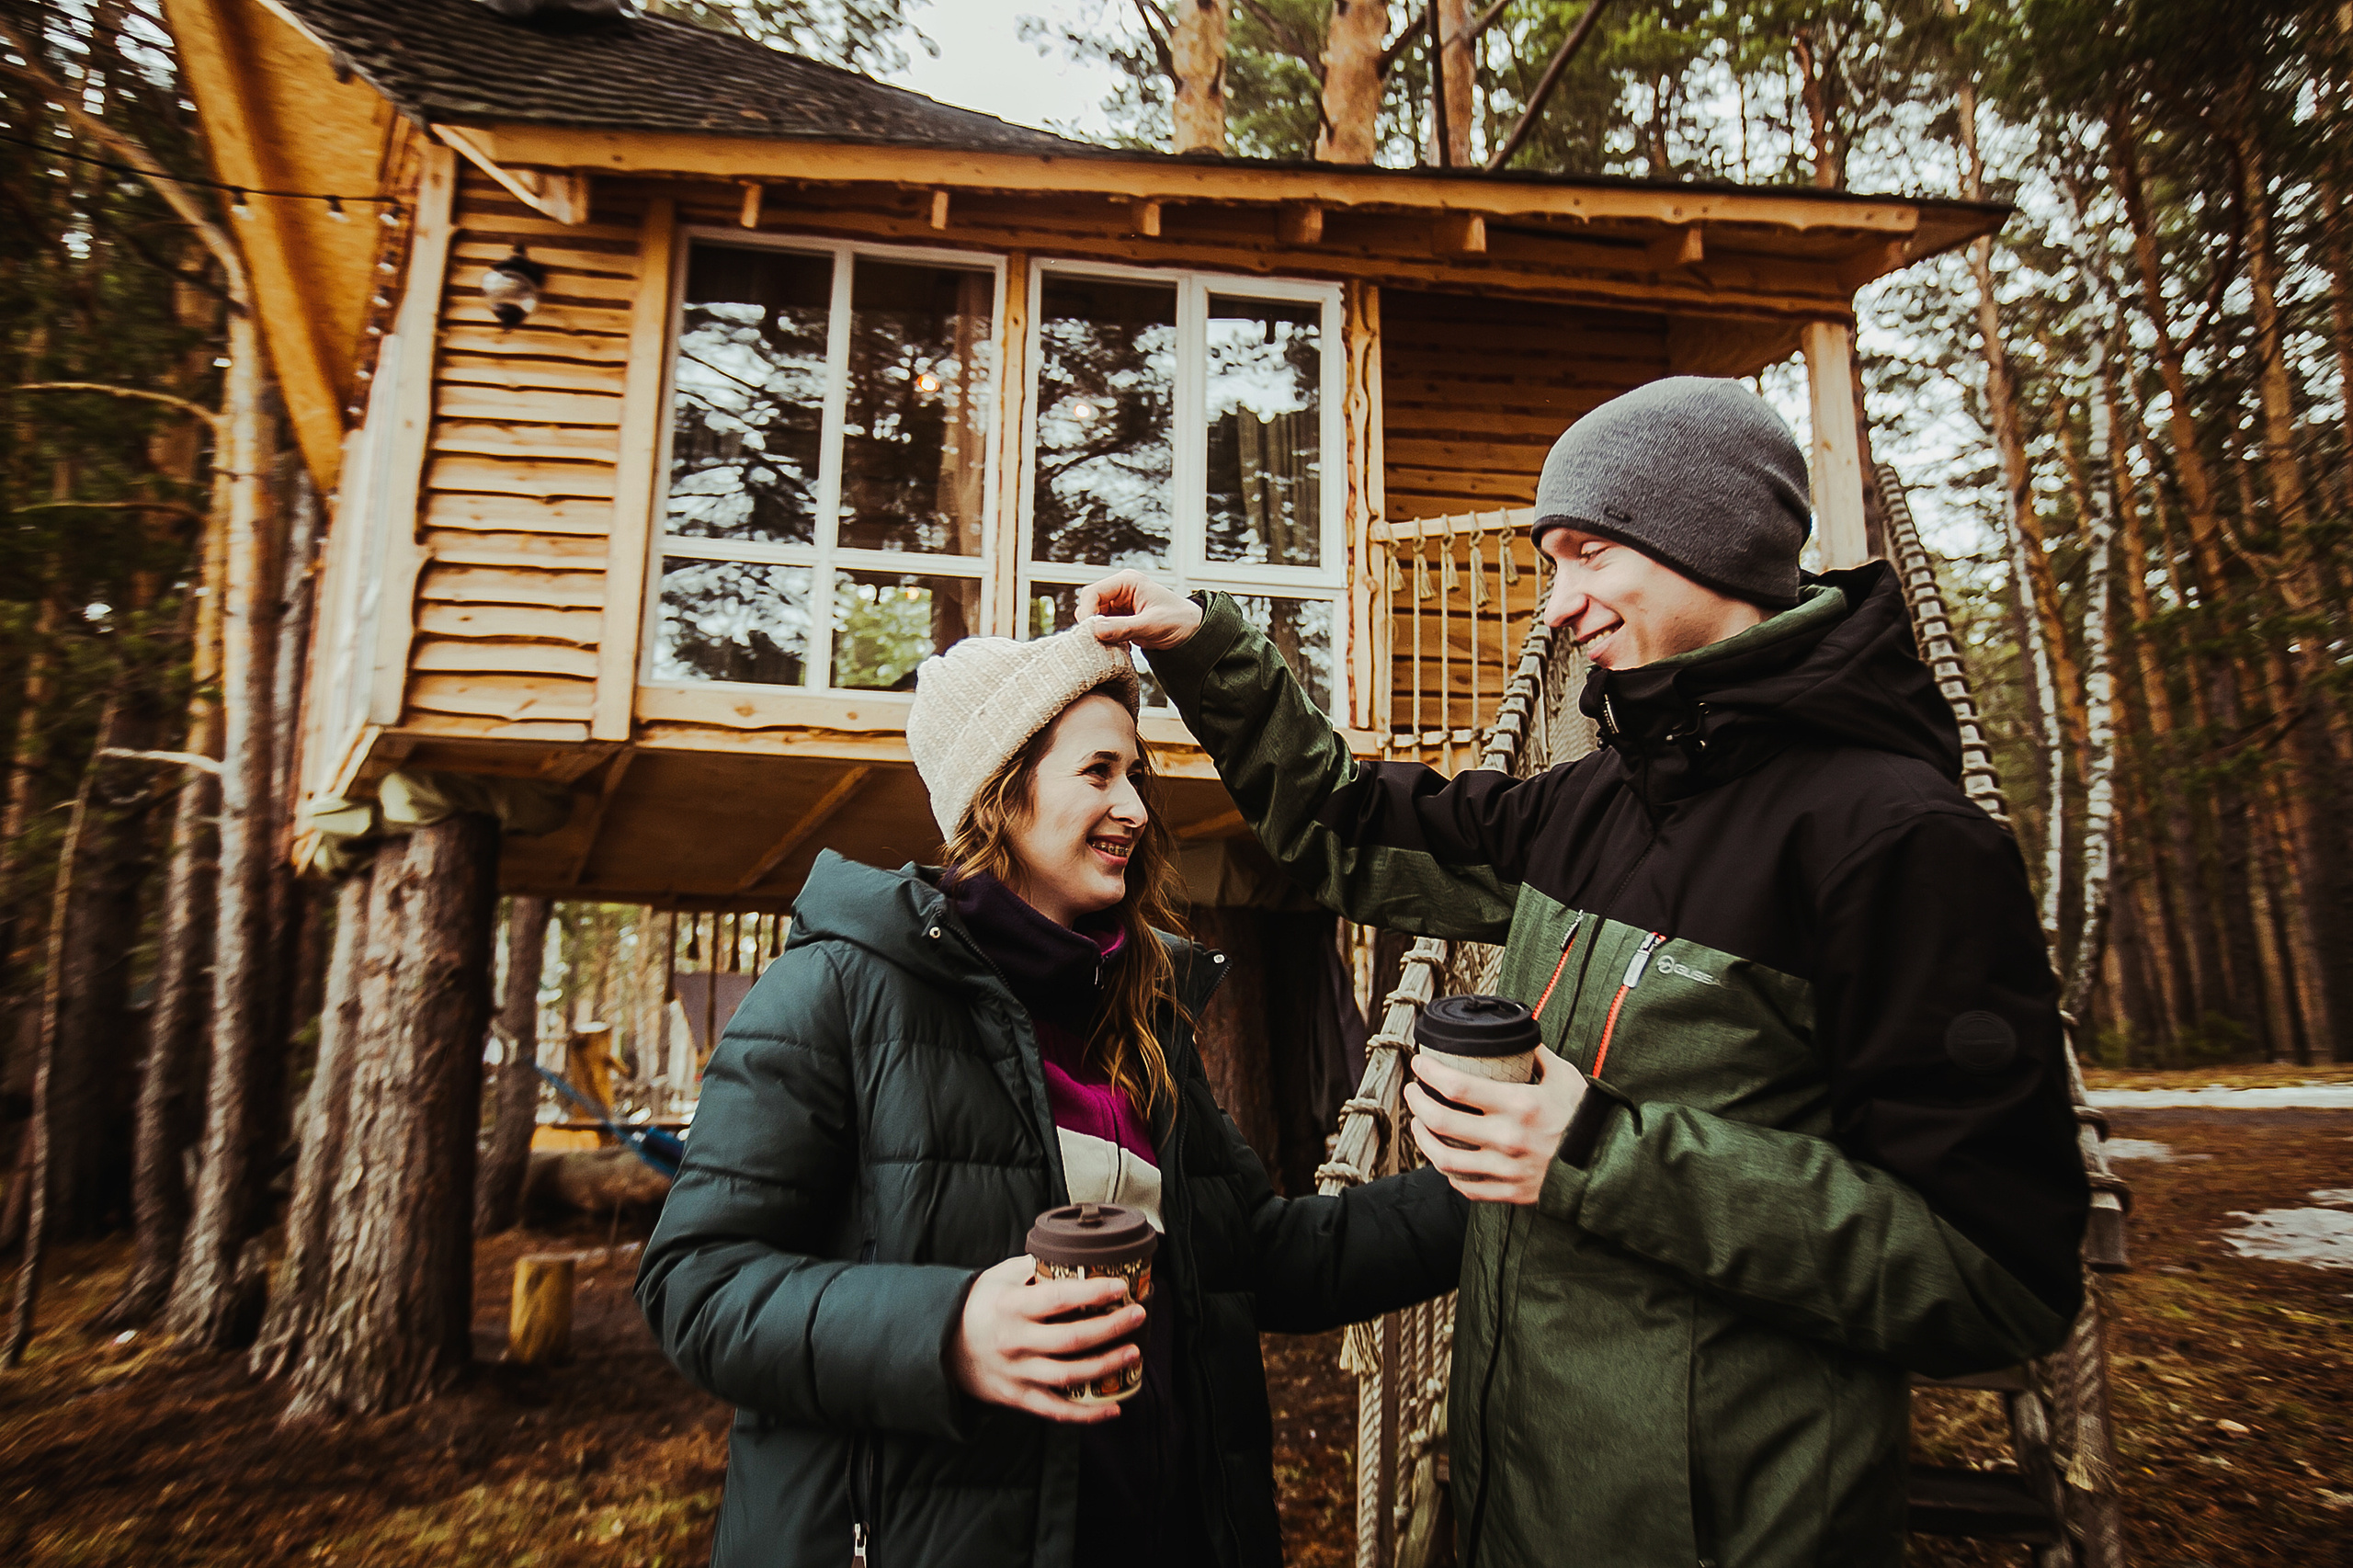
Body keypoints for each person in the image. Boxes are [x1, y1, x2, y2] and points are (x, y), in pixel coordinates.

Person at [1079, 376, 2091, 1568]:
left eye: (1585, 554)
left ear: (1700, 538)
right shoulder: (1595, 801)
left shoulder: (1898, 841)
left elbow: (1995, 1273)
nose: (1555, 607)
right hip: (1519, 1504)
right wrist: (1210, 649)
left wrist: (1601, 1152)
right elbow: (1345, 828)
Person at [636, 625, 1467, 1568]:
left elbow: (1256, 1254)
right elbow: (695, 1283)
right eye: (1099, 771)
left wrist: (1492, 1195)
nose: (1135, 808)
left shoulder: (1141, 1019)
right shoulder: (834, 992)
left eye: (1136, 776)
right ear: (1001, 788)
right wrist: (947, 1331)